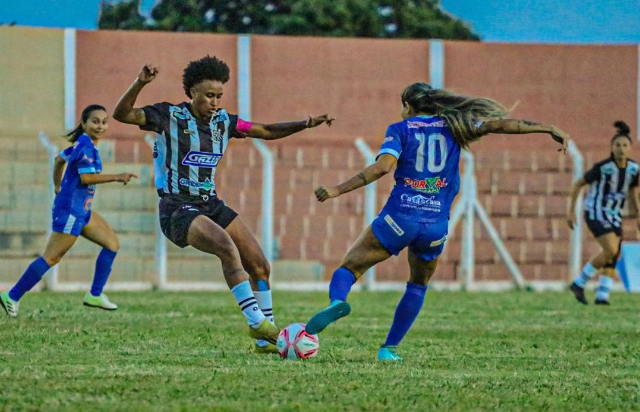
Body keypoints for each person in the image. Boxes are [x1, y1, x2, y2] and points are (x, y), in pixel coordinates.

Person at [305, 82, 569, 361]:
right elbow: (501, 125)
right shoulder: (455, 126)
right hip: (434, 225)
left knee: (349, 268)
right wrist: (547, 128)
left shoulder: (400, 129)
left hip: (399, 218)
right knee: (418, 284)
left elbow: (382, 168)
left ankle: (338, 302)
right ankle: (389, 349)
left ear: (408, 105)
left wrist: (336, 190)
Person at [112, 56, 334, 353]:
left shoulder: (224, 122)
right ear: (191, 92)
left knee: (259, 264)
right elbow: (122, 114)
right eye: (208, 96)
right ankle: (257, 322)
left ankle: (264, 341)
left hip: (210, 203)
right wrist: (140, 82)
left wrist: (305, 124)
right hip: (177, 206)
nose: (214, 102)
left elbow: (265, 131)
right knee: (226, 247)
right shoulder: (168, 116)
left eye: (218, 96)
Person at [0, 105, 138, 317]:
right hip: (71, 212)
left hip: (81, 210)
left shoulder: (82, 144)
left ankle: (95, 295)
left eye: (103, 121)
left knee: (111, 244)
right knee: (52, 258)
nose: (100, 126)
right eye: (95, 121)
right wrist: (117, 176)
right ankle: (13, 295)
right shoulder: (86, 148)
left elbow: (58, 160)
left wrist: (57, 186)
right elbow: (86, 178)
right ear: (84, 123)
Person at [568, 121, 639, 305]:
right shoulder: (603, 168)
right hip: (596, 212)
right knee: (610, 249)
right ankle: (579, 283)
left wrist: (638, 214)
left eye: (625, 145)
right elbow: (578, 184)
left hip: (615, 214)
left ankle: (602, 295)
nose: (621, 149)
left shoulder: (633, 169)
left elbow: (632, 192)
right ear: (611, 148)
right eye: (617, 145)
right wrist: (571, 211)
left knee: (613, 255)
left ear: (631, 148)